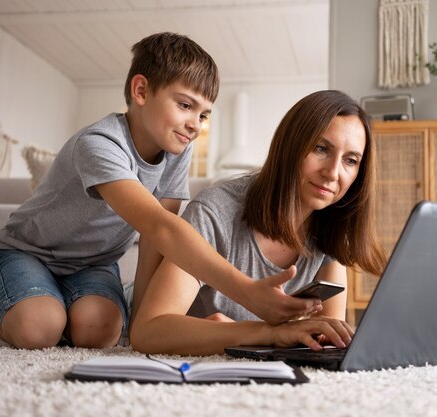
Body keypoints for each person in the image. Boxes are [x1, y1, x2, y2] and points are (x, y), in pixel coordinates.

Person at [0, 32, 319, 350]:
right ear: (141, 91)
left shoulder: (177, 149)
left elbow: (156, 242)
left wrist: (144, 321)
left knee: (101, 332)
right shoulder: (99, 144)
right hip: (28, 253)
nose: (196, 125)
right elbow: (162, 226)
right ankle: (16, 317)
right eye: (185, 106)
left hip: (93, 265)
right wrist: (247, 291)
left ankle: (60, 309)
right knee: (39, 327)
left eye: (203, 114)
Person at [129, 90, 387, 356]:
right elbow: (148, 332)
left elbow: (327, 337)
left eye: (351, 161)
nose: (333, 172)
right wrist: (269, 334)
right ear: (290, 146)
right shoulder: (216, 211)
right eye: (321, 149)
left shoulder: (331, 226)